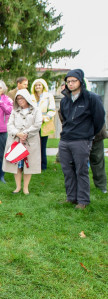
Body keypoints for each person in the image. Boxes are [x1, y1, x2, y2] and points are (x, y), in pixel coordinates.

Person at [59, 69, 106, 209]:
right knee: (67, 170)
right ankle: (71, 197)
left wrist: (88, 134)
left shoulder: (91, 98)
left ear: (80, 81)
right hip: (65, 139)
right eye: (68, 81)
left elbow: (99, 119)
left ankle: (83, 200)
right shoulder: (65, 100)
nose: (71, 84)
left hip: (81, 140)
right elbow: (65, 118)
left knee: (81, 170)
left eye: (74, 81)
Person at [2, 89, 42, 194]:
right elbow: (9, 125)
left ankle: (26, 188)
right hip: (16, 140)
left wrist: (25, 133)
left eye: (22, 98)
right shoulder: (14, 111)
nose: (20, 101)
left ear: (27, 98)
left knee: (28, 165)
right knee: (17, 163)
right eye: (18, 99)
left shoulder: (36, 110)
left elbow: (37, 124)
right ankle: (18, 186)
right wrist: (17, 133)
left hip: (30, 141)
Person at [30, 78, 56, 170]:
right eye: (36, 85)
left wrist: (45, 118)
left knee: (42, 145)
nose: (38, 87)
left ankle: (43, 166)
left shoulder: (48, 96)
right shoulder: (31, 96)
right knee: (33, 146)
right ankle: (34, 165)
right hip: (33, 124)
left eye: (39, 85)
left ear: (43, 86)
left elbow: (52, 110)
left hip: (44, 124)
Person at [90, 125, 107, 193]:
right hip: (78, 136)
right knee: (78, 163)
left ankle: (101, 187)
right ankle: (78, 188)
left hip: (97, 135)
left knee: (97, 160)